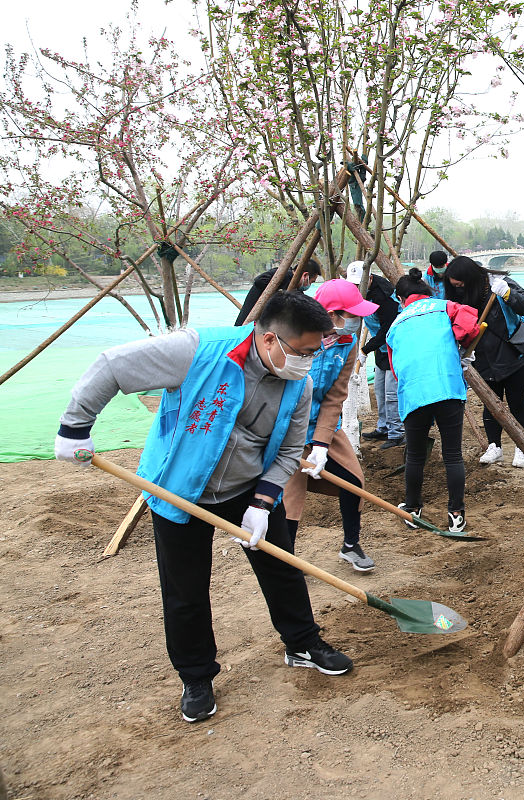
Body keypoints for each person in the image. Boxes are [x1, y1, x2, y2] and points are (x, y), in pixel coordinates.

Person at [55, 291, 353, 725]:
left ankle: (303, 643)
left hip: (248, 487)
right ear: (270, 340)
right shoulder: (195, 351)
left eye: (313, 353)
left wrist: (262, 503)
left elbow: (290, 451)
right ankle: (196, 677)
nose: (308, 362)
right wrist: (75, 425)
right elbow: (112, 365)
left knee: (282, 565)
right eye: (304, 352)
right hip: (179, 488)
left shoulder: (299, 383)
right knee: (185, 590)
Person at [282, 279, 379, 572]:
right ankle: (285, 560)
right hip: (286, 426)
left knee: (353, 480)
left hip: (322, 423)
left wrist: (322, 444)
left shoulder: (348, 342)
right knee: (289, 496)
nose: (360, 320)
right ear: (333, 315)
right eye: (354, 314)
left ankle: (351, 545)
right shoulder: (293, 337)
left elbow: (336, 394)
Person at [387, 268, 481, 532]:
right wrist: (461, 348)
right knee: (453, 455)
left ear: (402, 298)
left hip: (414, 394)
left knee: (415, 456)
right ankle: (456, 516)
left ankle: (413, 509)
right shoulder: (446, 307)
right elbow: (469, 326)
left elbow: (396, 370)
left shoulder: (394, 326)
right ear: (427, 292)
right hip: (447, 387)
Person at [444, 255, 524, 468]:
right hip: (483, 357)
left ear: (470, 279)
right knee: (491, 402)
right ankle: (495, 447)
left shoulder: (498, 283)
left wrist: (507, 293)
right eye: (455, 287)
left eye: (461, 285)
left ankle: (522, 447)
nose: (459, 290)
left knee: (516, 401)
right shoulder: (458, 295)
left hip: (514, 352)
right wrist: (461, 350)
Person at [345, 261, 405, 449]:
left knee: (391, 392)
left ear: (369, 278)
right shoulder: (362, 293)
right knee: (379, 389)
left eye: (359, 284)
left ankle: (397, 433)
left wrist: (365, 350)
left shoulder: (385, 297)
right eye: (354, 285)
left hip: (394, 346)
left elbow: (387, 330)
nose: (357, 288)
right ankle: (384, 427)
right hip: (380, 347)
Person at [234, 259, 322, 325]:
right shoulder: (282, 274)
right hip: (248, 323)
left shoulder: (295, 290)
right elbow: (259, 281)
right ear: (305, 275)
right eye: (311, 281)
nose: (309, 284)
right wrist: (281, 294)